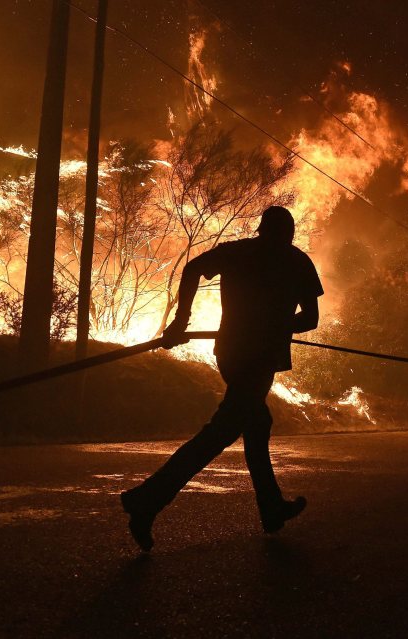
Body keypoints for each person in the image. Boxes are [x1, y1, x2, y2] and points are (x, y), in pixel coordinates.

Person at [120, 206, 323, 551]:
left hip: (233, 354)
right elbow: (310, 319)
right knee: (223, 431)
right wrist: (180, 321)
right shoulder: (295, 260)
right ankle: (147, 499)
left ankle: (272, 508)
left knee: (257, 423)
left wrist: (182, 320)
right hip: (257, 360)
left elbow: (193, 268)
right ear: (283, 234)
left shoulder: (244, 252)